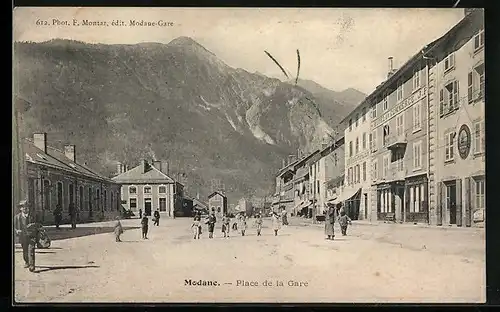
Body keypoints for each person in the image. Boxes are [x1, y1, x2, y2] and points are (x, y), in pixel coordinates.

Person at [14, 200, 37, 272]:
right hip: (22, 237)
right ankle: (27, 262)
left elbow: (38, 225)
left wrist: (34, 227)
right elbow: (13, 226)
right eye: (23, 207)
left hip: (31, 236)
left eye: (27, 207)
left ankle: (32, 265)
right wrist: (17, 230)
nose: (25, 209)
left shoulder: (32, 216)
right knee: (25, 251)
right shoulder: (17, 217)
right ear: (20, 208)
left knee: (31, 250)